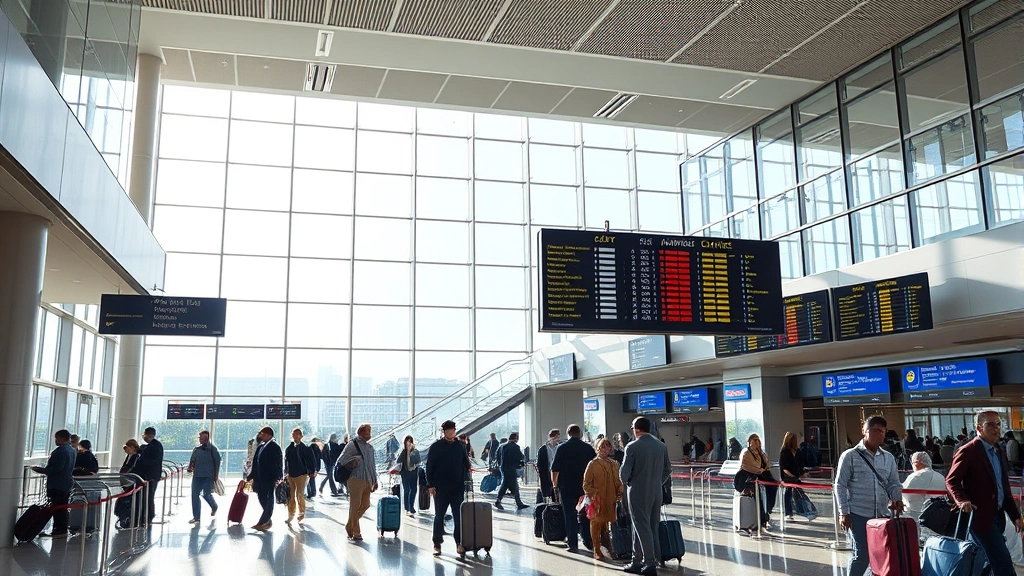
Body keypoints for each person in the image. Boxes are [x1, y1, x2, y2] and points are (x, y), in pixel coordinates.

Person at [947, 410, 1024, 575]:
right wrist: (962, 501)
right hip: (980, 516)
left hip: (998, 516)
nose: (996, 428)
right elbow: (951, 480)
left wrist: (1016, 516)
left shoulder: (998, 451)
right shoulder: (968, 451)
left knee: (989, 561)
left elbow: (1003, 488)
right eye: (990, 424)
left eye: (998, 423)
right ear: (979, 428)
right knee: (1002, 559)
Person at [834, 416, 904, 576]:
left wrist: (897, 498)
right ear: (865, 431)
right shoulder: (850, 456)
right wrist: (843, 512)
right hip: (858, 514)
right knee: (862, 555)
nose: (881, 435)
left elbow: (893, 482)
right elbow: (840, 485)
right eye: (877, 430)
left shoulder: (888, 458)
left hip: (881, 515)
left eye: (883, 432)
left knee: (880, 555)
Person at [619, 417, 672, 576]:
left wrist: (628, 481)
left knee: (641, 526)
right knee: (650, 526)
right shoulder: (661, 446)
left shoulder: (632, 446)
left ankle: (649, 563)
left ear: (636, 429)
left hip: (637, 491)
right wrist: (657, 481)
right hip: (656, 491)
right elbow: (667, 469)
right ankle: (638, 560)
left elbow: (624, 474)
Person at [425, 420, 472, 557]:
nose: (451, 432)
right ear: (444, 432)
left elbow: (466, 464)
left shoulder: (460, 446)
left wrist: (467, 448)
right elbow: (430, 467)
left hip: (457, 487)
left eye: (453, 430)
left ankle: (459, 543)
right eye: (448, 430)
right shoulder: (436, 447)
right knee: (439, 515)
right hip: (440, 487)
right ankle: (437, 543)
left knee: (458, 516)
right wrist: (430, 485)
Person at [551, 423, 596, 553]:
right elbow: (594, 466)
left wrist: (555, 486)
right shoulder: (588, 448)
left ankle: (573, 544)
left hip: (566, 486)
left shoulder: (562, 448)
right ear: (580, 434)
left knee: (569, 515)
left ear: (568, 433)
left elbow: (555, 469)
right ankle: (588, 541)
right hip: (584, 487)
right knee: (585, 513)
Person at [582, 437, 623, 560]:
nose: (605, 449)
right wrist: (594, 494)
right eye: (602, 447)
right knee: (596, 523)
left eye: (607, 447)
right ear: (597, 448)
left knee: (606, 524)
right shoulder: (593, 464)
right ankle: (597, 548)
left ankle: (608, 546)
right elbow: (586, 483)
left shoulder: (614, 464)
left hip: (610, 499)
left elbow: (618, 481)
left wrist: (620, 493)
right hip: (597, 501)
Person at [31, 429, 76, 538]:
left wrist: (40, 470)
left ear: (61, 438)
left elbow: (57, 469)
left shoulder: (60, 451)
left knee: (58, 508)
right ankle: (61, 529)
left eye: (56, 438)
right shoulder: (72, 450)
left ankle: (59, 529)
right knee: (62, 507)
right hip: (66, 483)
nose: (55, 441)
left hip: (57, 484)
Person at [338, 423, 377, 541]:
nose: (369, 434)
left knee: (366, 504)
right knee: (354, 506)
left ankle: (350, 524)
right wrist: (353, 460)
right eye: (366, 431)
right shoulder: (352, 445)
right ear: (360, 432)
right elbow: (341, 460)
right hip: (355, 479)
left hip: (367, 480)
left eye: (369, 431)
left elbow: (372, 466)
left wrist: (374, 480)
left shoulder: (370, 448)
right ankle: (356, 532)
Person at [738, 433, 778, 530]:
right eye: (754, 440)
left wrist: (764, 468)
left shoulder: (761, 453)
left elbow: (765, 463)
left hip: (764, 475)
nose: (757, 442)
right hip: (752, 477)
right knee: (758, 497)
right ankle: (761, 519)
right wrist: (759, 470)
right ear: (749, 441)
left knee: (774, 486)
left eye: (758, 440)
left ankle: (768, 510)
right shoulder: (746, 453)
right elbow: (747, 466)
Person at [246, 426, 283, 531]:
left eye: (262, 434)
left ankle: (263, 521)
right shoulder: (261, 446)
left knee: (268, 498)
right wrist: (251, 475)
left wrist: (278, 477)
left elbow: (279, 462)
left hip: (269, 477)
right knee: (261, 497)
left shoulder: (274, 446)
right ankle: (267, 519)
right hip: (259, 477)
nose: (260, 435)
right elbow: (256, 462)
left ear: (268, 435)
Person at [283, 428, 317, 524]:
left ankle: (301, 513)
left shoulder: (305, 447)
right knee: (291, 495)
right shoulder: (289, 448)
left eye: (298, 434)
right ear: (292, 435)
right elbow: (286, 461)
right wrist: (285, 472)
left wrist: (312, 470)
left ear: (301, 436)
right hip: (291, 474)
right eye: (294, 434)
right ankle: (291, 515)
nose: (296, 436)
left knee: (300, 494)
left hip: (302, 474)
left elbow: (311, 459)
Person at [187, 430, 221, 524]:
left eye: (202, 437)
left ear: (207, 438)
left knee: (206, 494)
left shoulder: (213, 449)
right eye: (200, 437)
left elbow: (217, 462)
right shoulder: (196, 450)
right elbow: (192, 461)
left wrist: (216, 475)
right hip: (197, 475)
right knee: (194, 495)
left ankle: (214, 506)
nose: (200, 439)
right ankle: (196, 517)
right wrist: (190, 467)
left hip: (208, 476)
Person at [901, 451, 946, 519]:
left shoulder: (916, 476)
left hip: (916, 515)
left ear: (916, 463)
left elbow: (905, 496)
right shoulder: (940, 477)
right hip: (938, 516)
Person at [133, 427, 164, 522]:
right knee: (148, 496)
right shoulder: (152, 445)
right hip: (150, 475)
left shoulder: (155, 446)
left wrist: (143, 462)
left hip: (150, 476)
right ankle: (146, 515)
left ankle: (148, 516)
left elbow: (154, 460)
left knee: (149, 496)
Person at [493, 432, 528, 510]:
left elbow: (497, 456)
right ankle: (499, 501)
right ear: (515, 438)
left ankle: (517, 502)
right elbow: (520, 457)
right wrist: (521, 464)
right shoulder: (515, 447)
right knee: (507, 484)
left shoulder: (501, 446)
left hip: (503, 468)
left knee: (509, 484)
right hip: (511, 468)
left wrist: (500, 465)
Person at [778, 431, 805, 519]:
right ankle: (788, 512)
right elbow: (784, 467)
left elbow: (800, 464)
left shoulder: (798, 451)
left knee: (798, 492)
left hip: (795, 476)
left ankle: (802, 510)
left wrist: (801, 474)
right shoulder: (784, 452)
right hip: (787, 477)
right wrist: (792, 476)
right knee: (788, 493)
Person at [397, 435, 421, 516]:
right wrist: (406, 451)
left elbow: (418, 461)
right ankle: (407, 508)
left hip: (413, 473)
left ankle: (411, 506)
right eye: (407, 442)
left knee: (413, 490)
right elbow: (398, 461)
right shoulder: (403, 452)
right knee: (406, 490)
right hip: (405, 473)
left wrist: (413, 466)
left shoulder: (415, 451)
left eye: (410, 442)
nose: (408, 443)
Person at [535, 429, 561, 500]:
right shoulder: (543, 449)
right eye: (556, 437)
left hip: (556, 473)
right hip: (546, 473)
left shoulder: (559, 448)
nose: (558, 439)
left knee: (555, 492)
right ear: (551, 437)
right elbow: (539, 463)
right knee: (546, 492)